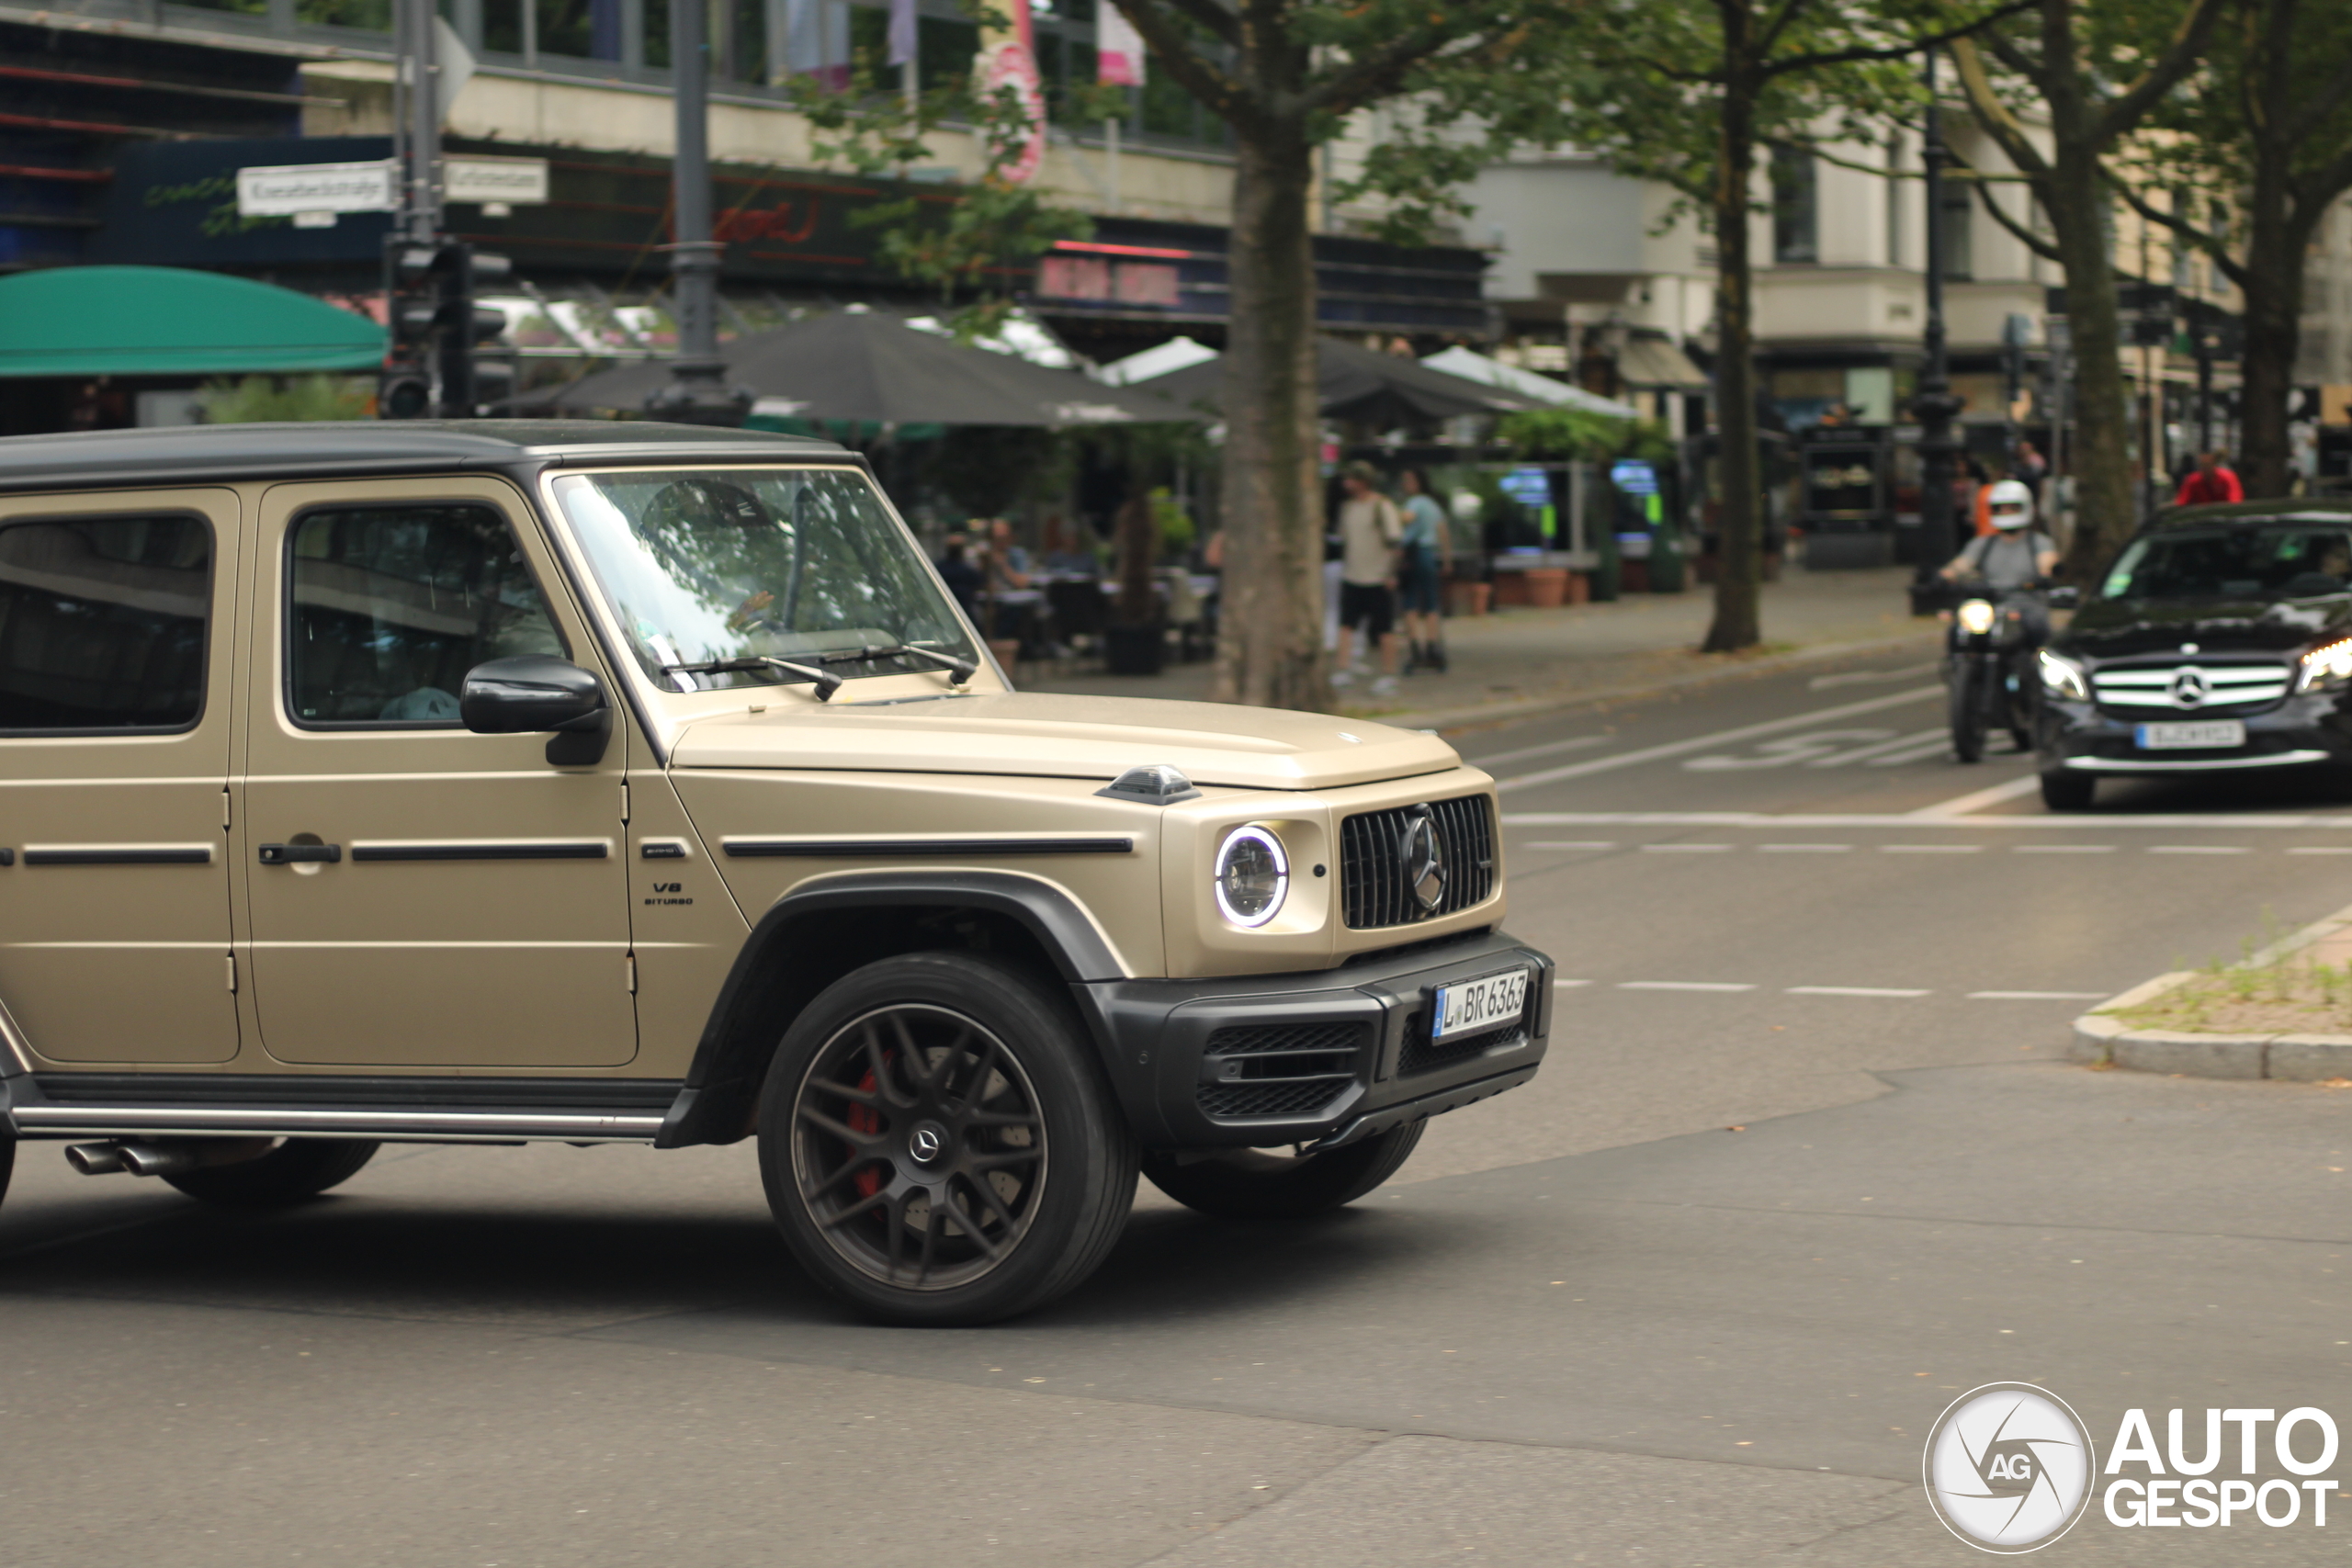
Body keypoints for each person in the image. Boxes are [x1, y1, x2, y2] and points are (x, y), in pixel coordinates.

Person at [1940, 478, 2059, 641]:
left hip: (2025, 607)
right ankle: (1957, 664)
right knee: (1957, 632)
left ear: (2025, 508)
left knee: (2036, 628)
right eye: (2000, 508)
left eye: (2012, 508)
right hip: (1989, 608)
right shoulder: (1983, 543)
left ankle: (2036, 663)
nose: (2005, 512)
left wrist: (2046, 574)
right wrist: (1944, 576)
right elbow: (1963, 563)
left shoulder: (2038, 542)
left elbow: (2047, 561)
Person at [1332, 461, 1403, 696]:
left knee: (1385, 629)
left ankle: (1388, 674)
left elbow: (1395, 542)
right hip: (1352, 575)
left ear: (1362, 481)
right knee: (1346, 625)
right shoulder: (1348, 508)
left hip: (1377, 577)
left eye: (1351, 479)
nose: (1346, 483)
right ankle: (1343, 668)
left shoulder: (1381, 506)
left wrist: (1391, 573)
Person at [1396, 468, 1447, 674]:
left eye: (1408, 481)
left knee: (1410, 601)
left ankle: (1415, 647)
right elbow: (1443, 531)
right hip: (1429, 553)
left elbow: (1407, 518)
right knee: (1431, 602)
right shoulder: (1433, 505)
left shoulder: (1414, 503)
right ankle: (1433, 646)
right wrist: (1446, 559)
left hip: (1414, 553)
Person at [2176, 450, 2245, 507]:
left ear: (2214, 464)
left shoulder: (2228, 477)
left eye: (2208, 464)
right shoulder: (2192, 480)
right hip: (2201, 516)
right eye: (2202, 465)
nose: (2205, 468)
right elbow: (2182, 501)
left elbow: (2235, 500)